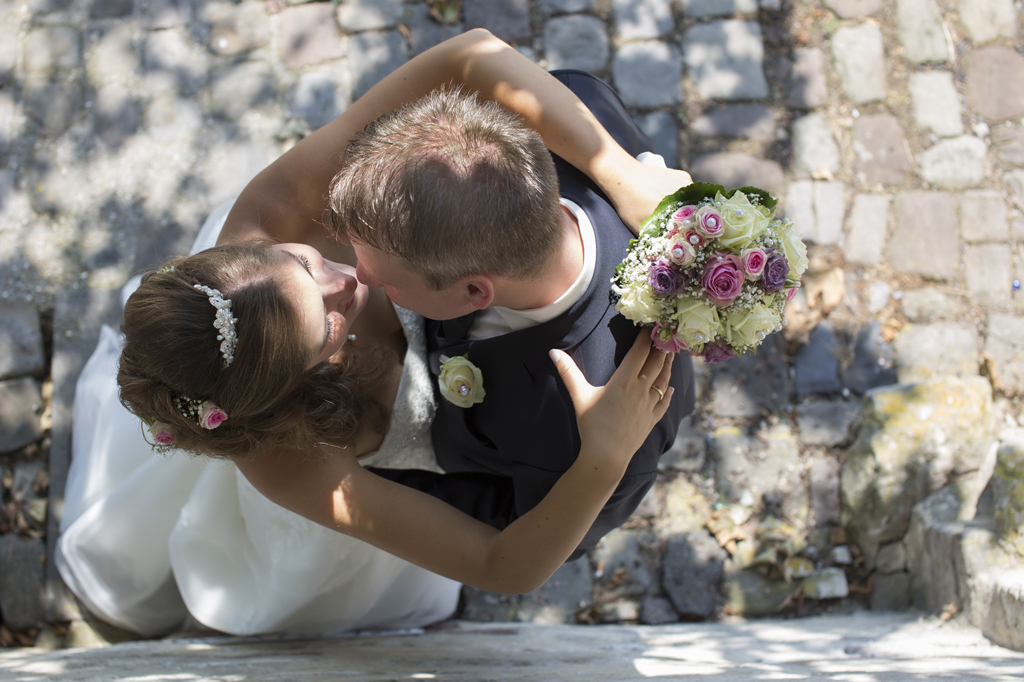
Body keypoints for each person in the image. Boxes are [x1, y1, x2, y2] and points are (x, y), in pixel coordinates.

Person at [57, 29, 689, 637]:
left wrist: (627, 181)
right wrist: (602, 459)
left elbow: (470, 57)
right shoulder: (288, 462)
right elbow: (503, 566)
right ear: (301, 378)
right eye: (326, 322)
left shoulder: (273, 213)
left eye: (303, 261)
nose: (350, 276)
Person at [329, 78, 696, 559]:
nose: (358, 279)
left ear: (476, 291)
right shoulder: (570, 106)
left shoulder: (601, 424)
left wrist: (395, 491)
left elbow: (527, 530)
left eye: (385, 279)